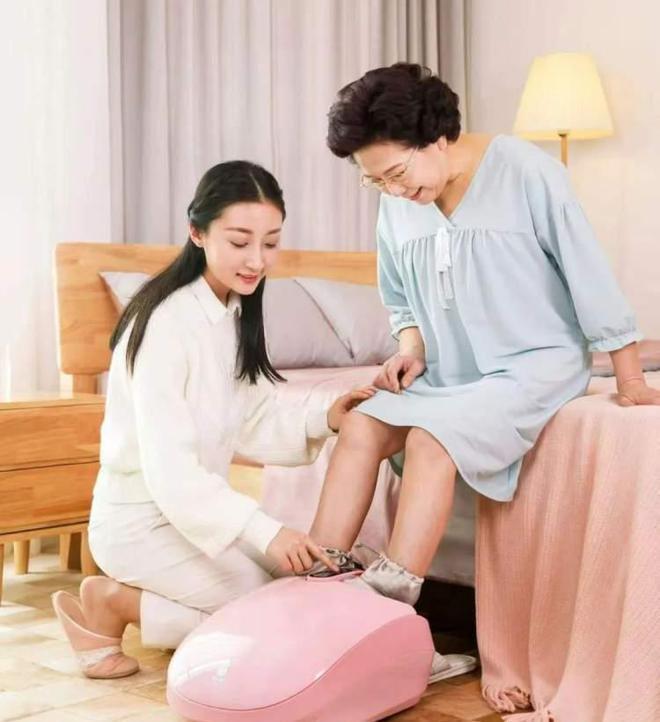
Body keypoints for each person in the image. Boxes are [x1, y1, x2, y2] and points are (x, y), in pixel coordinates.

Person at [306, 62, 660, 679]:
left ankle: (388, 624)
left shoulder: (527, 171)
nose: (391, 190)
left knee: (431, 439)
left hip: (533, 366)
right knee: (361, 423)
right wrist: (411, 348)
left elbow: (587, 272)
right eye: (374, 180)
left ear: (438, 137)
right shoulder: (398, 201)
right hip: (447, 372)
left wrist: (629, 379)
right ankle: (314, 589)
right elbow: (400, 297)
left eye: (396, 173)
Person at [52, 161, 374, 680]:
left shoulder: (232, 311)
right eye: (240, 241)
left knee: (296, 590)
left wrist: (326, 415)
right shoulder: (163, 324)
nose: (257, 260)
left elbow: (249, 414)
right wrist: (268, 532)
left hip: (195, 514)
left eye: (271, 242)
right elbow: (172, 474)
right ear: (197, 232)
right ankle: (113, 602)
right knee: (271, 614)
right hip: (140, 523)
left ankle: (120, 602)